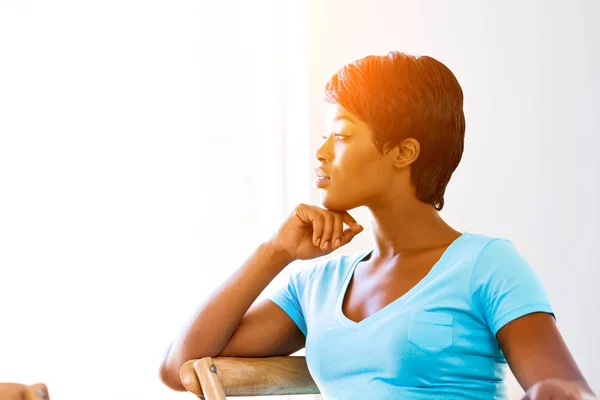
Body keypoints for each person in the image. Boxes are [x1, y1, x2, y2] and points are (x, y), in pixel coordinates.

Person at [159, 51, 596, 399]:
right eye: (326, 136)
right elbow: (182, 366)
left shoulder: (486, 264)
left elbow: (563, 388)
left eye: (343, 136)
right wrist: (275, 252)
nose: (323, 153)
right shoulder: (317, 286)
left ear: (404, 152)